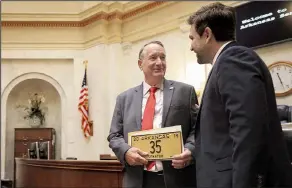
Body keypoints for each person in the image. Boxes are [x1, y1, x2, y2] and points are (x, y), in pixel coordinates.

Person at [187, 2, 292, 188]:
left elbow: (248, 132)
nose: (191, 46)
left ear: (207, 34)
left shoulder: (233, 59)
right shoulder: (226, 63)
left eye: (192, 38)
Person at [107, 41, 198, 188]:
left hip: (177, 178)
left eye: (162, 57)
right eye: (153, 57)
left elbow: (197, 129)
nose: (159, 62)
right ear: (140, 64)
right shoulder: (124, 98)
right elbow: (114, 135)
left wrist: (190, 150)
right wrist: (126, 152)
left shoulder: (185, 92)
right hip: (137, 179)